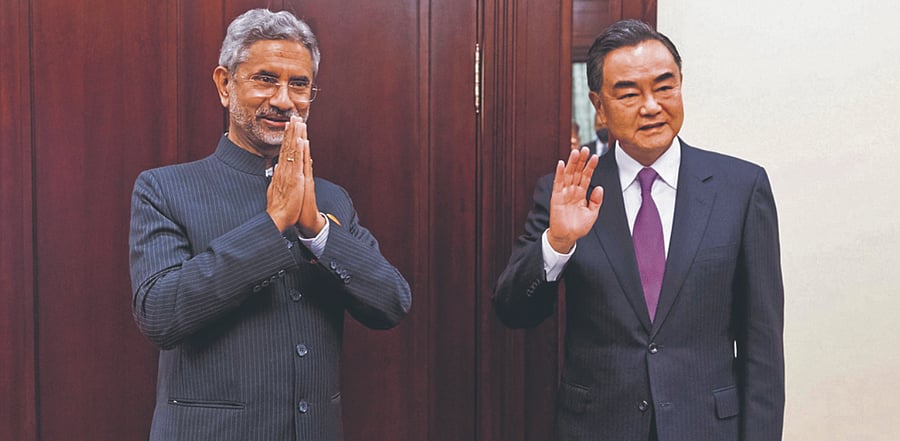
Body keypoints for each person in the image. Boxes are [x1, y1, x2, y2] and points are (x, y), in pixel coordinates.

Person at [493, 19, 784, 441]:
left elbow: (763, 346)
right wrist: (558, 243)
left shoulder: (740, 188)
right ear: (599, 106)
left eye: (665, 87)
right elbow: (512, 310)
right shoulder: (570, 194)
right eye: (629, 93)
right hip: (598, 427)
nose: (651, 106)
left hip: (707, 427)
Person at [128, 9, 411, 441]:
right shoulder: (164, 189)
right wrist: (273, 222)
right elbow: (161, 315)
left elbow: (392, 303)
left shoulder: (332, 200)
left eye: (299, 84)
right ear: (225, 85)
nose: (284, 100)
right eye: (265, 79)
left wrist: (316, 229)